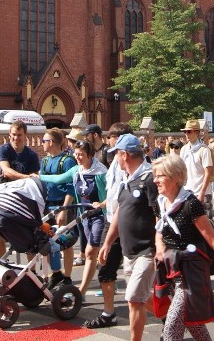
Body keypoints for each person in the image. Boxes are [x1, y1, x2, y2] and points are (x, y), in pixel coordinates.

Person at [153, 155, 214, 341]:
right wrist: (159, 246)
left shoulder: (190, 204)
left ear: (175, 177)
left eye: (160, 176)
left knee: (170, 329)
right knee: (190, 322)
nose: (155, 180)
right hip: (171, 271)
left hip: (191, 273)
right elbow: (159, 231)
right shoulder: (160, 203)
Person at [98, 134, 159, 341]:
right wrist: (107, 242)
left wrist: (160, 247)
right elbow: (119, 213)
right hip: (128, 251)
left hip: (147, 250)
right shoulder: (126, 181)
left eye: (116, 155)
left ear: (124, 155)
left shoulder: (150, 179)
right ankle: (172, 316)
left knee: (133, 298)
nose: (115, 159)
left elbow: (160, 215)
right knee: (143, 297)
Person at [37, 139, 107, 296]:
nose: (78, 157)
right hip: (85, 216)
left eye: (81, 155)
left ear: (90, 155)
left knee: (90, 253)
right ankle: (109, 281)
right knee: (99, 253)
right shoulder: (77, 170)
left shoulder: (101, 173)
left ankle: (80, 292)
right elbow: (58, 179)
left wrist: (102, 204)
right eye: (76, 154)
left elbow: (115, 193)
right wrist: (37, 177)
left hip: (99, 217)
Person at [84, 122, 131, 330]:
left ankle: (167, 317)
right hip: (110, 219)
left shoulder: (131, 165)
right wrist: (102, 204)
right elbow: (113, 194)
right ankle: (108, 313)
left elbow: (126, 198)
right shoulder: (114, 162)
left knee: (135, 276)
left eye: (111, 137)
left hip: (125, 224)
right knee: (106, 269)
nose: (108, 141)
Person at [0, 120, 41, 257]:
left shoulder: (32, 156)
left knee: (27, 237)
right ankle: (3, 263)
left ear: (25, 135)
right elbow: (6, 171)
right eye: (14, 134)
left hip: (23, 199)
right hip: (5, 197)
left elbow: (35, 178)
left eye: (19, 135)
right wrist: (26, 177)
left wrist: (30, 178)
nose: (16, 138)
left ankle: (31, 272)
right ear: (9, 134)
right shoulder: (3, 150)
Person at [40, 128, 78, 289]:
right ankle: (56, 273)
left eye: (44, 141)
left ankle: (68, 277)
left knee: (66, 242)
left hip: (63, 205)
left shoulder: (67, 161)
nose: (42, 144)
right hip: (48, 206)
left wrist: (64, 208)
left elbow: (71, 187)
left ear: (52, 142)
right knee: (49, 241)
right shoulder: (45, 161)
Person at [179, 119, 214, 219]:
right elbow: (181, 170)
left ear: (197, 132)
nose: (186, 134)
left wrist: (202, 193)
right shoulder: (184, 149)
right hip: (188, 191)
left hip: (202, 191)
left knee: (206, 222)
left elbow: (208, 172)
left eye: (189, 131)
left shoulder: (204, 150)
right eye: (185, 132)